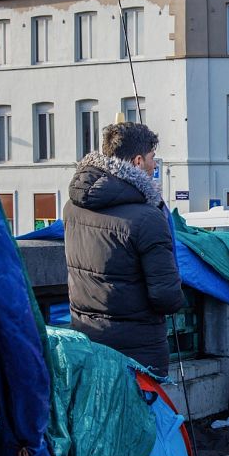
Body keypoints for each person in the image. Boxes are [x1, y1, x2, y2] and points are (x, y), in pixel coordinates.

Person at [63, 122, 184, 376]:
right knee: (141, 414)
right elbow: (166, 298)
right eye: (153, 158)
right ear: (138, 162)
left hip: (88, 342)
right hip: (138, 351)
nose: (155, 166)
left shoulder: (72, 208)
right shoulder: (148, 218)